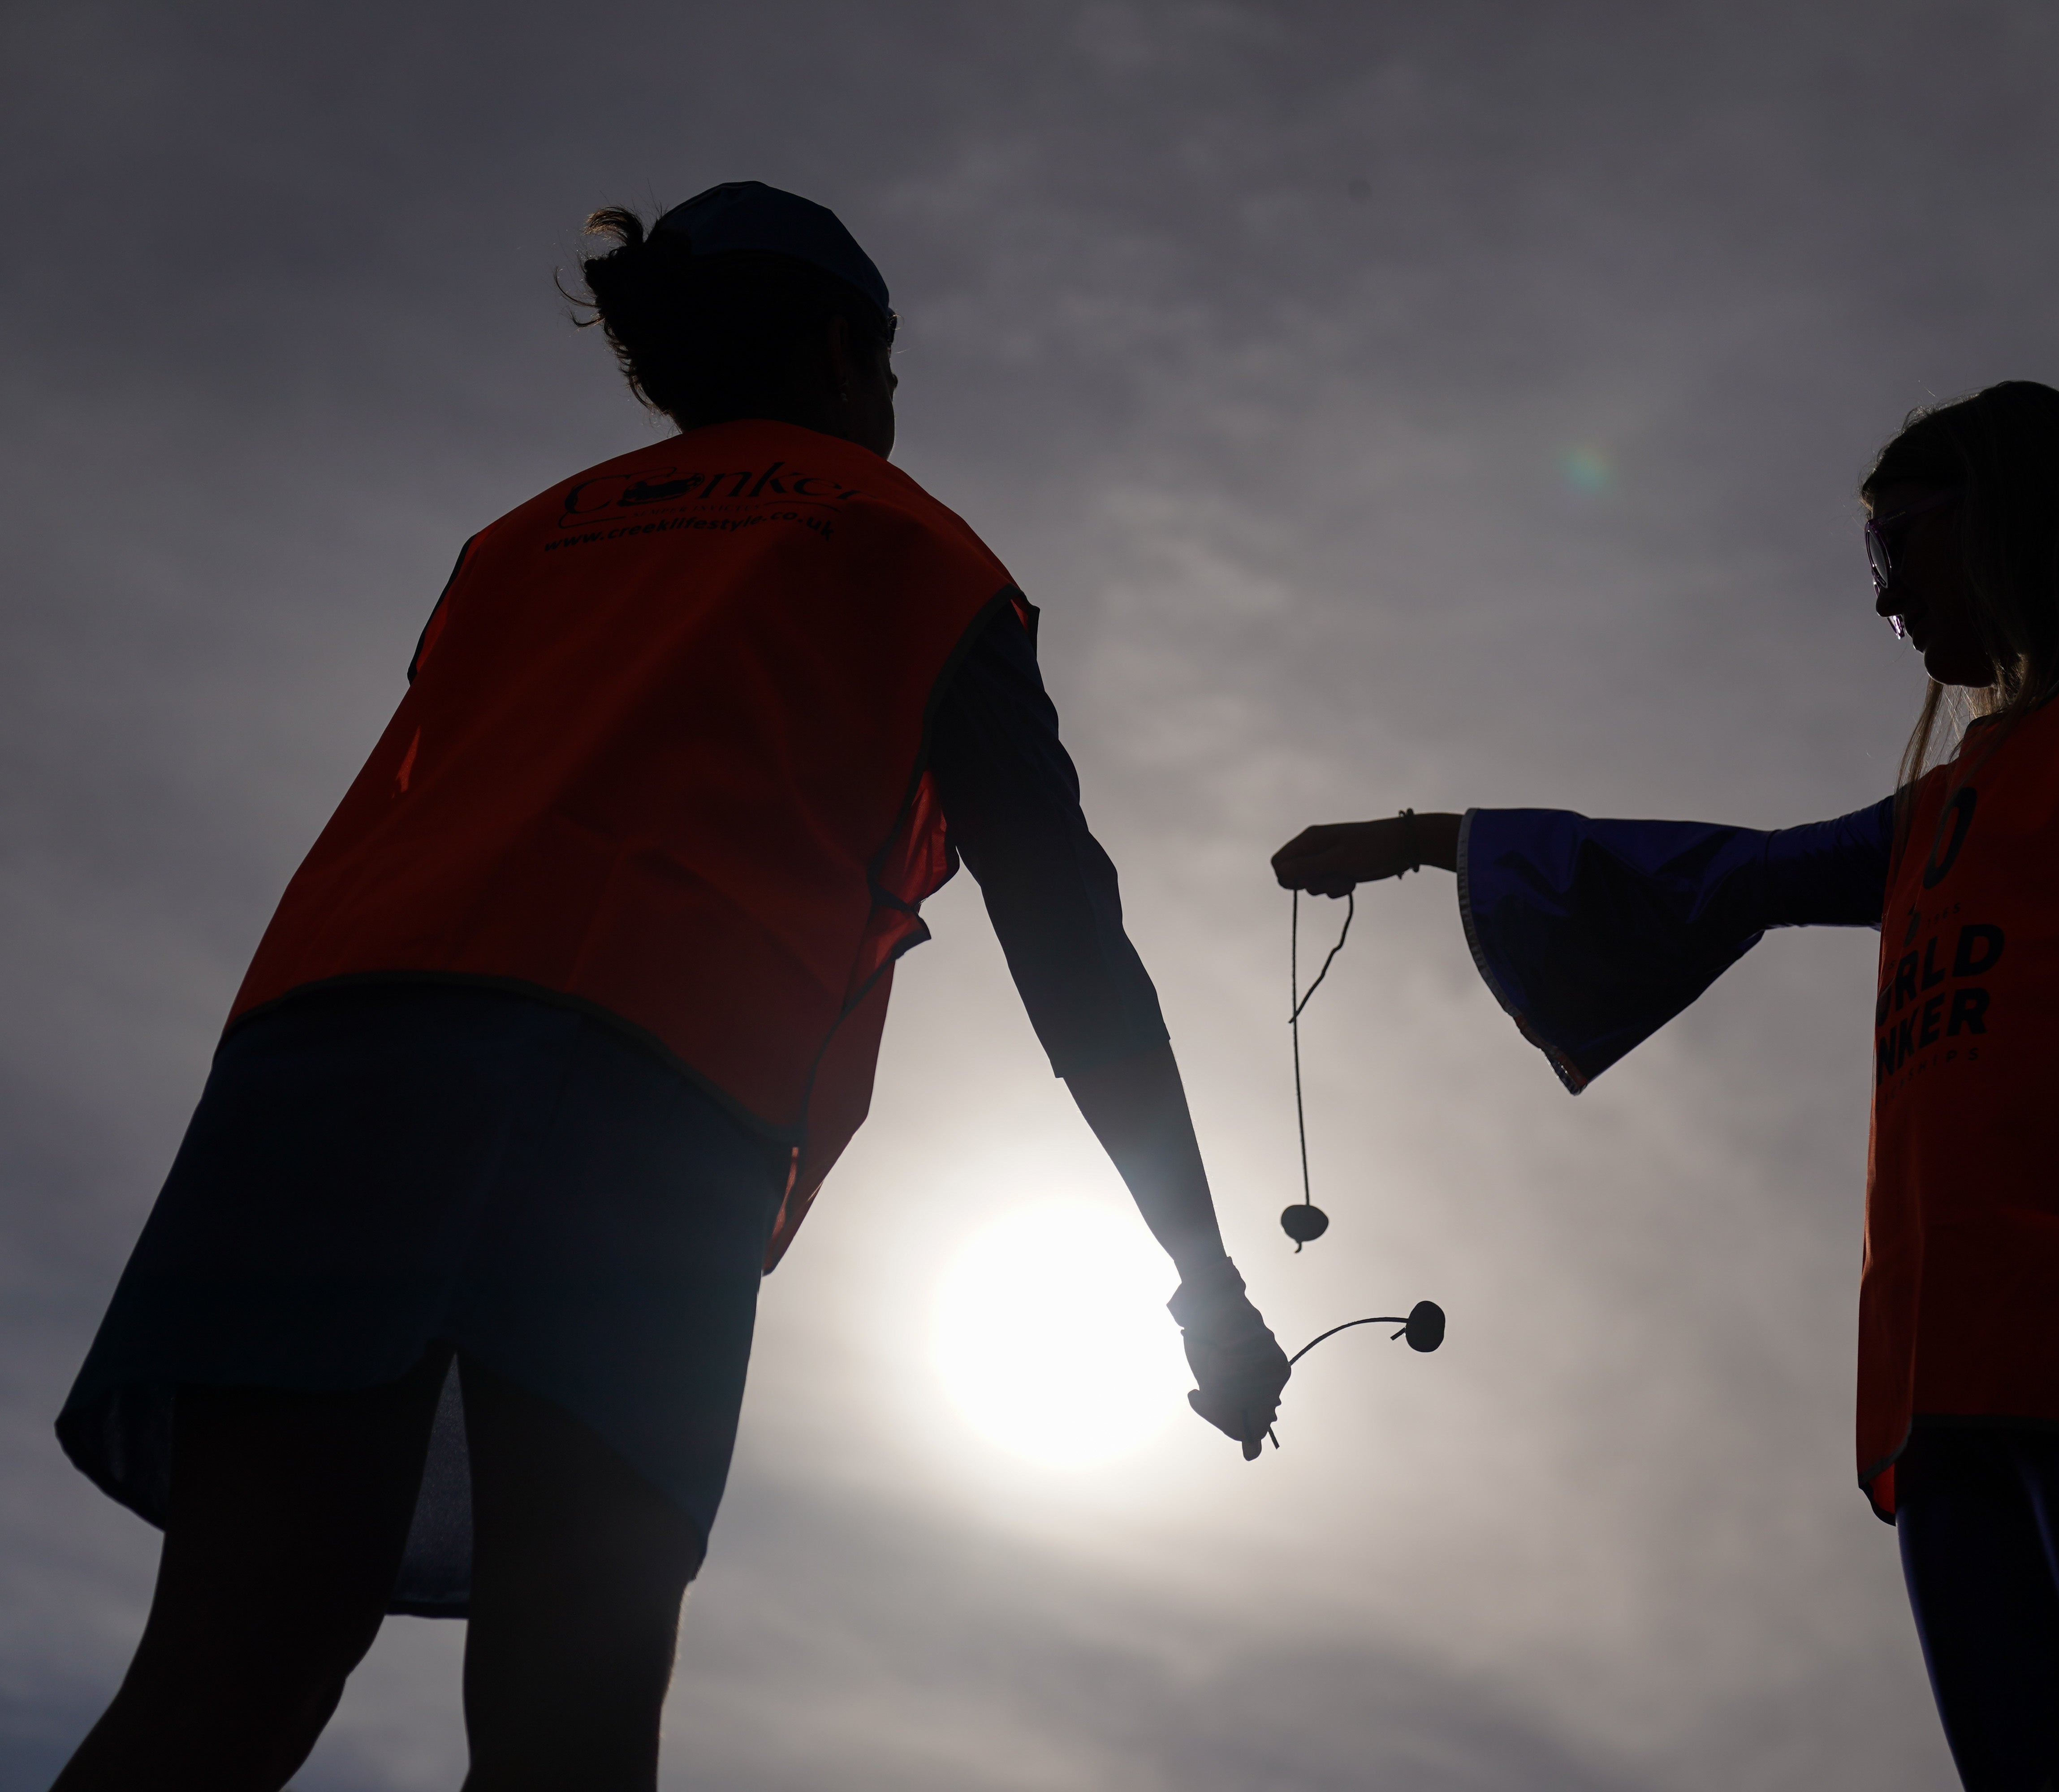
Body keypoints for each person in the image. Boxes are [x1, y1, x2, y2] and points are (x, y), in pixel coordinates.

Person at [50, 181, 1290, 1792]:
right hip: (634, 1096)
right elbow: (1075, 952)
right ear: (850, 351)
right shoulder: (914, 554)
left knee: (224, 1673)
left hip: (323, 1065)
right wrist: (1204, 1280)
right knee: (572, 1714)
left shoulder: (519, 543)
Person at [1273, 382, 2059, 1790]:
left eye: (1893, 552)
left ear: (2006, 514)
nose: (1883, 607)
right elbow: (1731, 873)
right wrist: (1425, 838)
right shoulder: (1943, 807)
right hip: (1954, 1384)